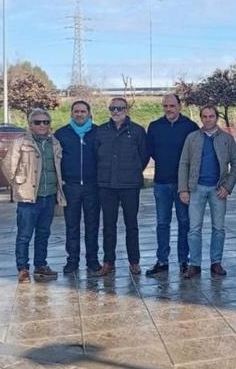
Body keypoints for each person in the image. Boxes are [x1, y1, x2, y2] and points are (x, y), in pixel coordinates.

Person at [178, 105, 236, 278]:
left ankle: (216, 263)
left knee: (218, 228)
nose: (208, 119)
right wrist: (183, 189)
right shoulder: (192, 138)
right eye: (204, 116)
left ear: (216, 118)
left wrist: (228, 186)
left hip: (218, 189)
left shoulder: (227, 139)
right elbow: (183, 163)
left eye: (211, 116)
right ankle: (195, 264)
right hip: (196, 188)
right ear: (201, 118)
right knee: (194, 229)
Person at [5, 109, 66, 283]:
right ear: (30, 125)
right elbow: (8, 166)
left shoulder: (55, 143)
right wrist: (19, 184)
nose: (42, 125)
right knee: (24, 235)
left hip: (49, 196)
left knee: (43, 233)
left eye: (45, 122)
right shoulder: (21, 142)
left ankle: (41, 265)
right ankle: (23, 268)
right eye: (38, 122)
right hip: (28, 197)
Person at [145, 94, 199, 277]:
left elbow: (196, 154)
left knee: (185, 222)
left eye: (172, 105)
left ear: (180, 106)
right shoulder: (154, 127)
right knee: (162, 223)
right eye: (165, 106)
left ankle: (184, 260)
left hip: (182, 185)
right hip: (161, 183)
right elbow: (149, 152)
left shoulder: (190, 127)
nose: (169, 109)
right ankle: (162, 260)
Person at [93, 97, 148, 276]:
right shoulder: (100, 131)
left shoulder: (138, 131)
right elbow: (95, 155)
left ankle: (134, 262)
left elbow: (144, 155)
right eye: (112, 108)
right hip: (106, 185)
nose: (116, 112)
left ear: (127, 109)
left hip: (130, 185)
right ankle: (109, 262)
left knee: (131, 224)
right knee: (109, 225)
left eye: (120, 108)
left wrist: (133, 170)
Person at [54, 100, 100, 275]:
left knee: (92, 225)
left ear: (89, 113)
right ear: (71, 113)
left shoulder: (97, 132)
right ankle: (72, 261)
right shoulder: (62, 134)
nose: (79, 114)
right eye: (76, 111)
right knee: (72, 226)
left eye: (83, 111)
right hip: (70, 187)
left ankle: (93, 260)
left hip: (92, 187)